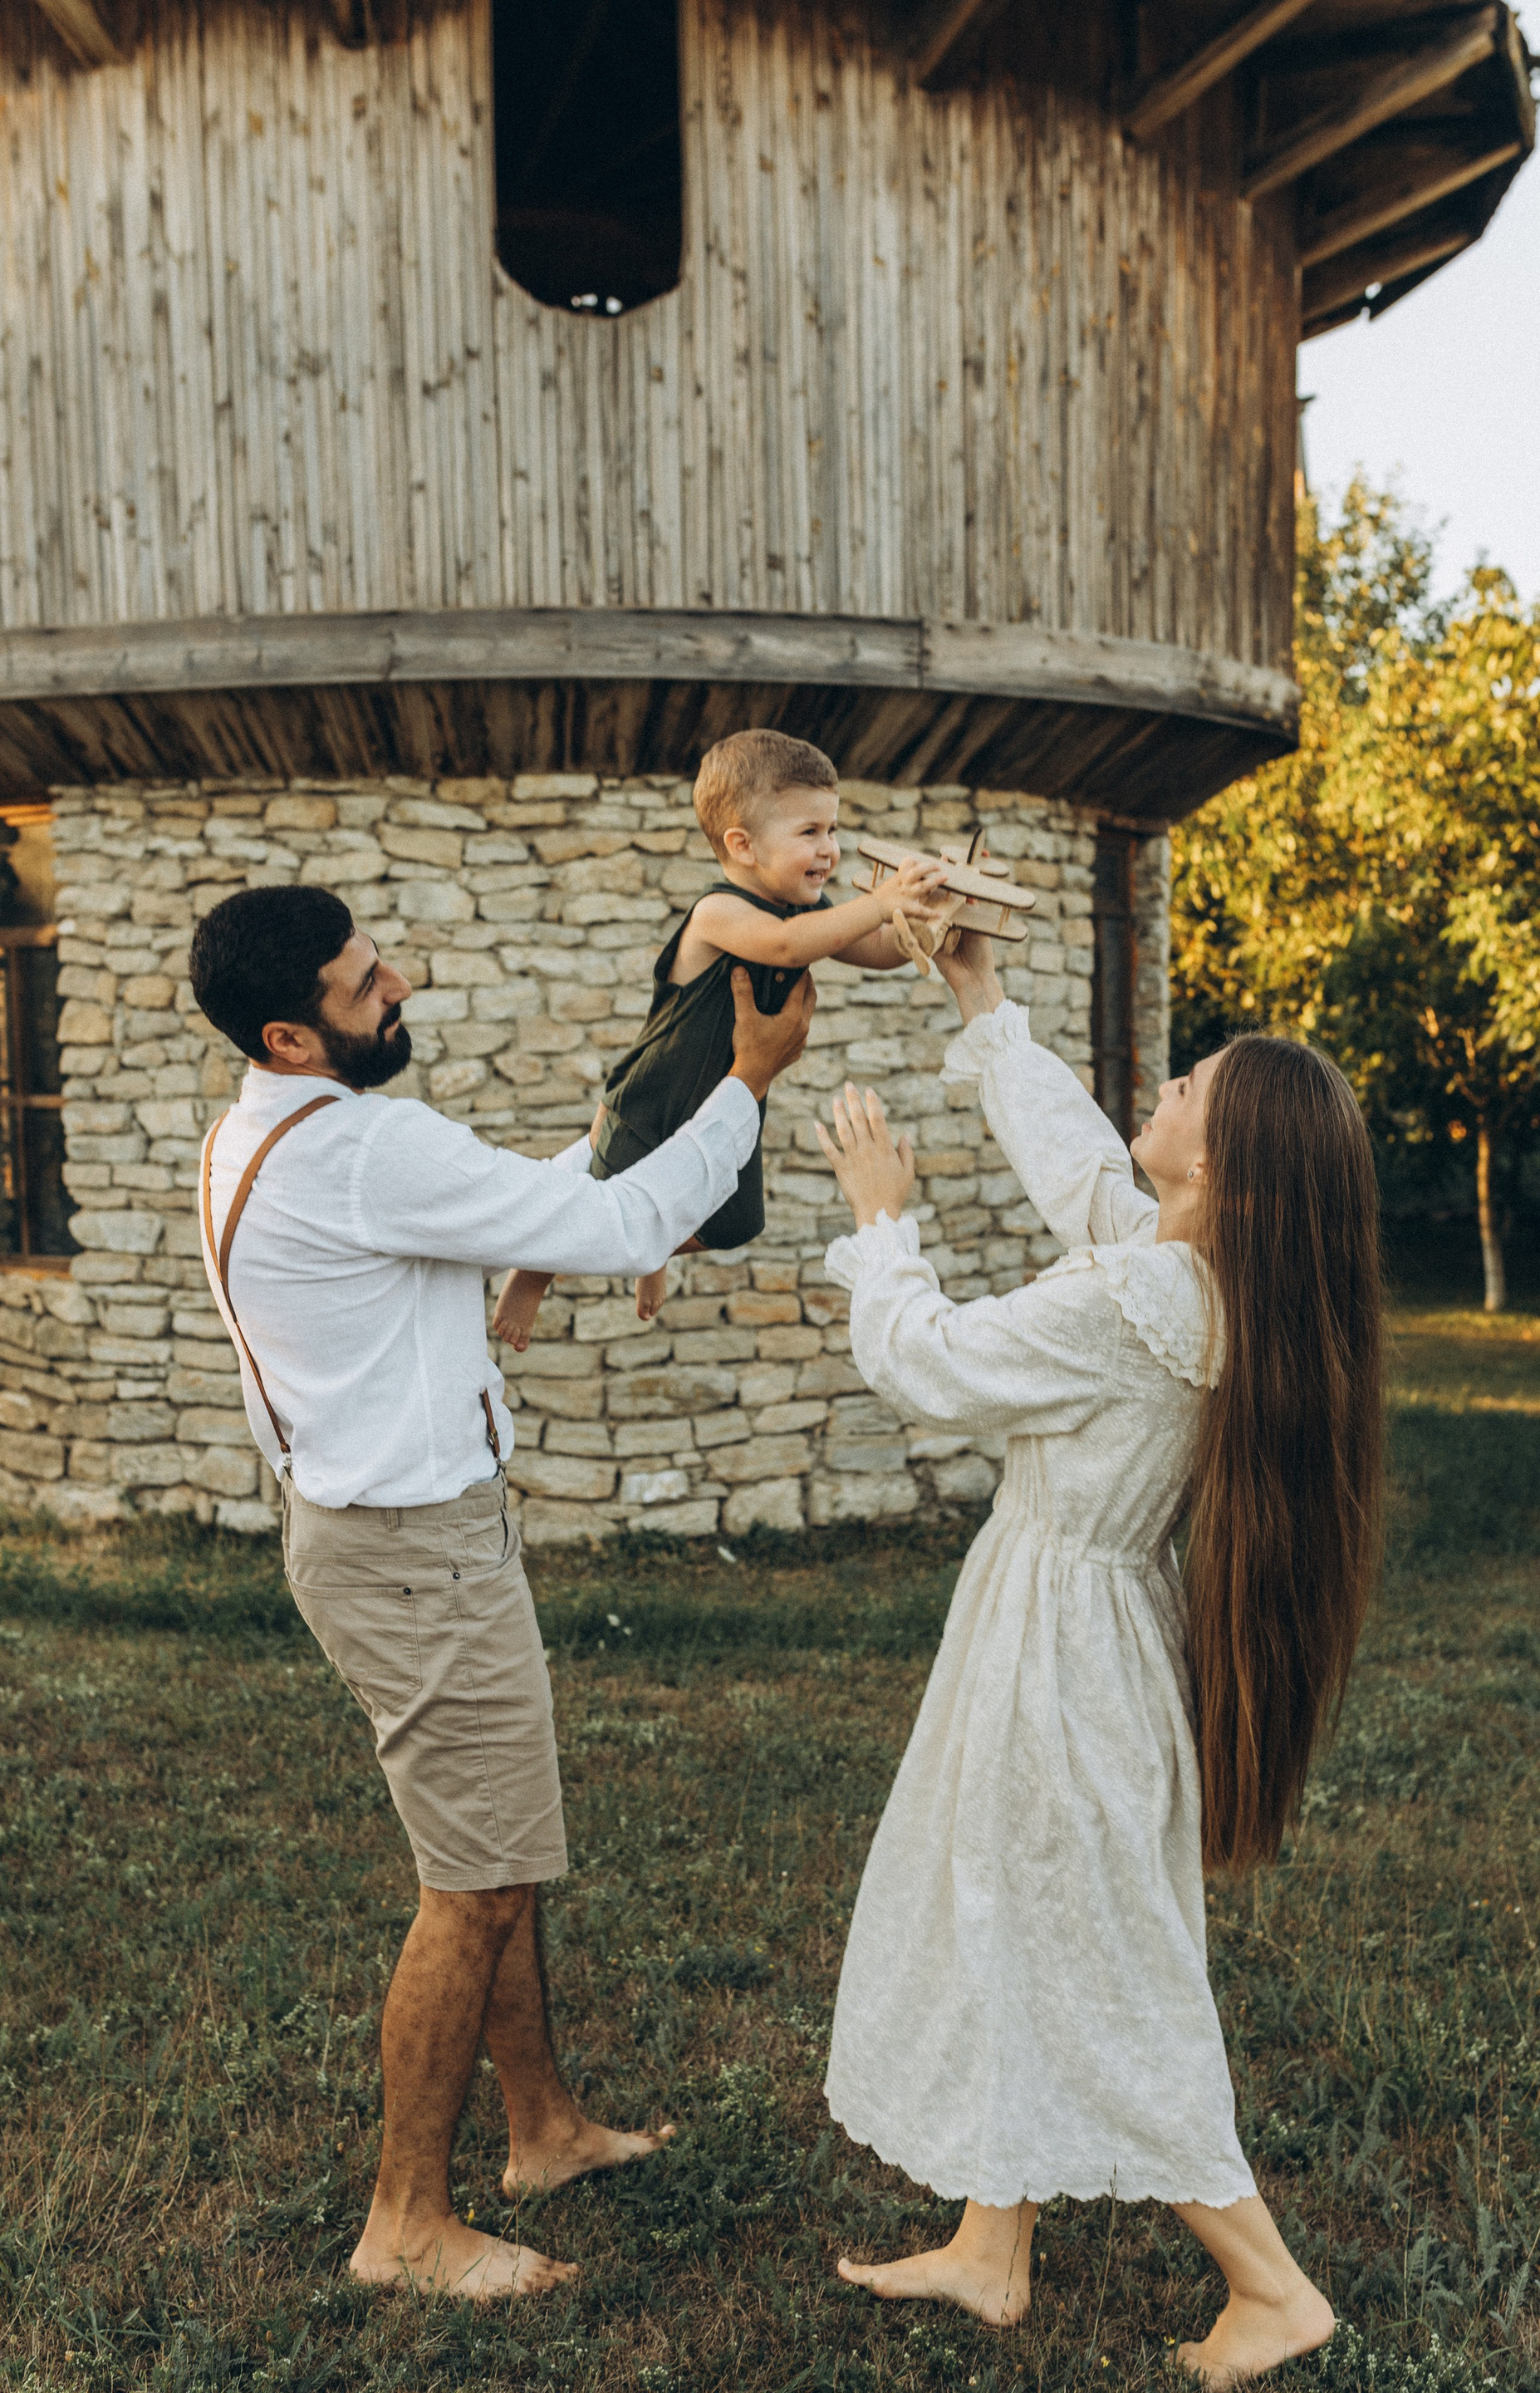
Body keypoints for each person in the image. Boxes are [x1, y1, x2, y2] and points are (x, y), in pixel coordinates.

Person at [187, 882, 813, 2305]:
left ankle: (543, 2130)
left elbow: (526, 1196)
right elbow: (620, 1225)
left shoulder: (258, 1130)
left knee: (500, 1854)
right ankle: (406, 2222)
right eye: (365, 983)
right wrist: (747, 1084)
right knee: (471, 1889)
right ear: (291, 1036)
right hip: (415, 1557)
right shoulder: (367, 1148)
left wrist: (620, 1121)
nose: (397, 984)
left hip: (381, 1540)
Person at [812, 927, 1382, 2383]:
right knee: (1011, 1909)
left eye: (1190, 1089)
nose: (1166, 1088)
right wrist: (982, 1000)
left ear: (1222, 1169)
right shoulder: (1190, 1273)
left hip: (1062, 1651)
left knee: (1105, 1964)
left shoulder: (1140, 1303)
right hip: (1075, 1629)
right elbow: (1081, 1169)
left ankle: (1273, 2290)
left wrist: (882, 1223)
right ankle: (989, 2245)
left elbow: (932, 1364)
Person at [491, 728, 947, 1351]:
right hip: (657, 1097)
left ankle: (652, 1246)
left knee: (736, 1223)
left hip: (729, 1098)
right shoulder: (718, 912)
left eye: (833, 830)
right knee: (599, 1206)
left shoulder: (812, 911)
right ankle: (538, 1265)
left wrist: (927, 919)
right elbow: (785, 946)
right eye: (810, 832)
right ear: (742, 845)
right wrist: (882, 900)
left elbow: (876, 947)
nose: (830, 849)